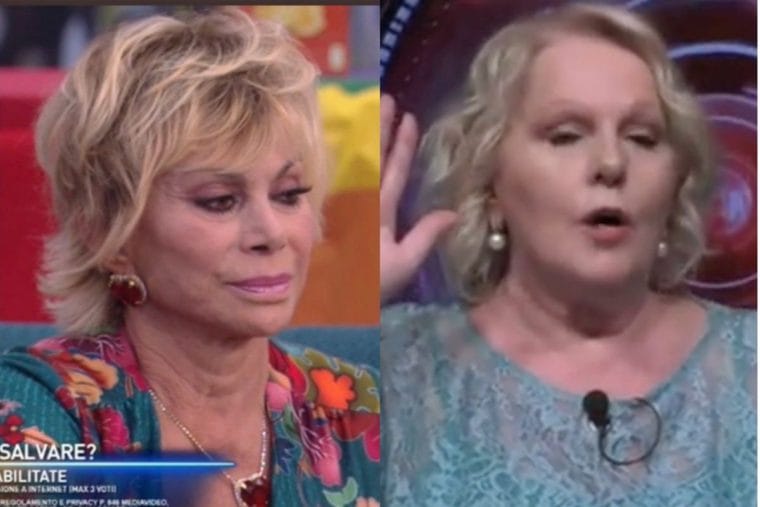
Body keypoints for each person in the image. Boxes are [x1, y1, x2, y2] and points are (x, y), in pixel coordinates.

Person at [0, 8, 380, 507]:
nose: (271, 234)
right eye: (220, 201)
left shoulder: (361, 407)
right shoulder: (37, 410)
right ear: (110, 236)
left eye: (289, 194)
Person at [380, 3, 755, 506]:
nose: (611, 163)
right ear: (491, 183)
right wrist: (337, 309)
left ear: (674, 187)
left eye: (642, 138)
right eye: (567, 135)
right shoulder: (392, 362)